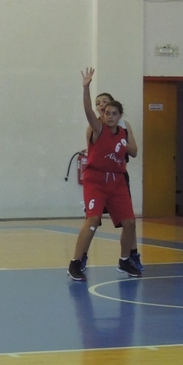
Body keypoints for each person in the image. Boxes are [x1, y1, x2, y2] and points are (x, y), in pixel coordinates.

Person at [68, 69, 141, 281]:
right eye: (106, 112)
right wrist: (85, 88)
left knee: (130, 223)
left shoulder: (124, 132)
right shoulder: (97, 129)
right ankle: (75, 262)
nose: (109, 116)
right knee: (93, 220)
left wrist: (123, 144)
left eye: (113, 113)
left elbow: (134, 152)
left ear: (119, 116)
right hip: (97, 180)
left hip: (117, 180)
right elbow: (88, 110)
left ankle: (125, 260)